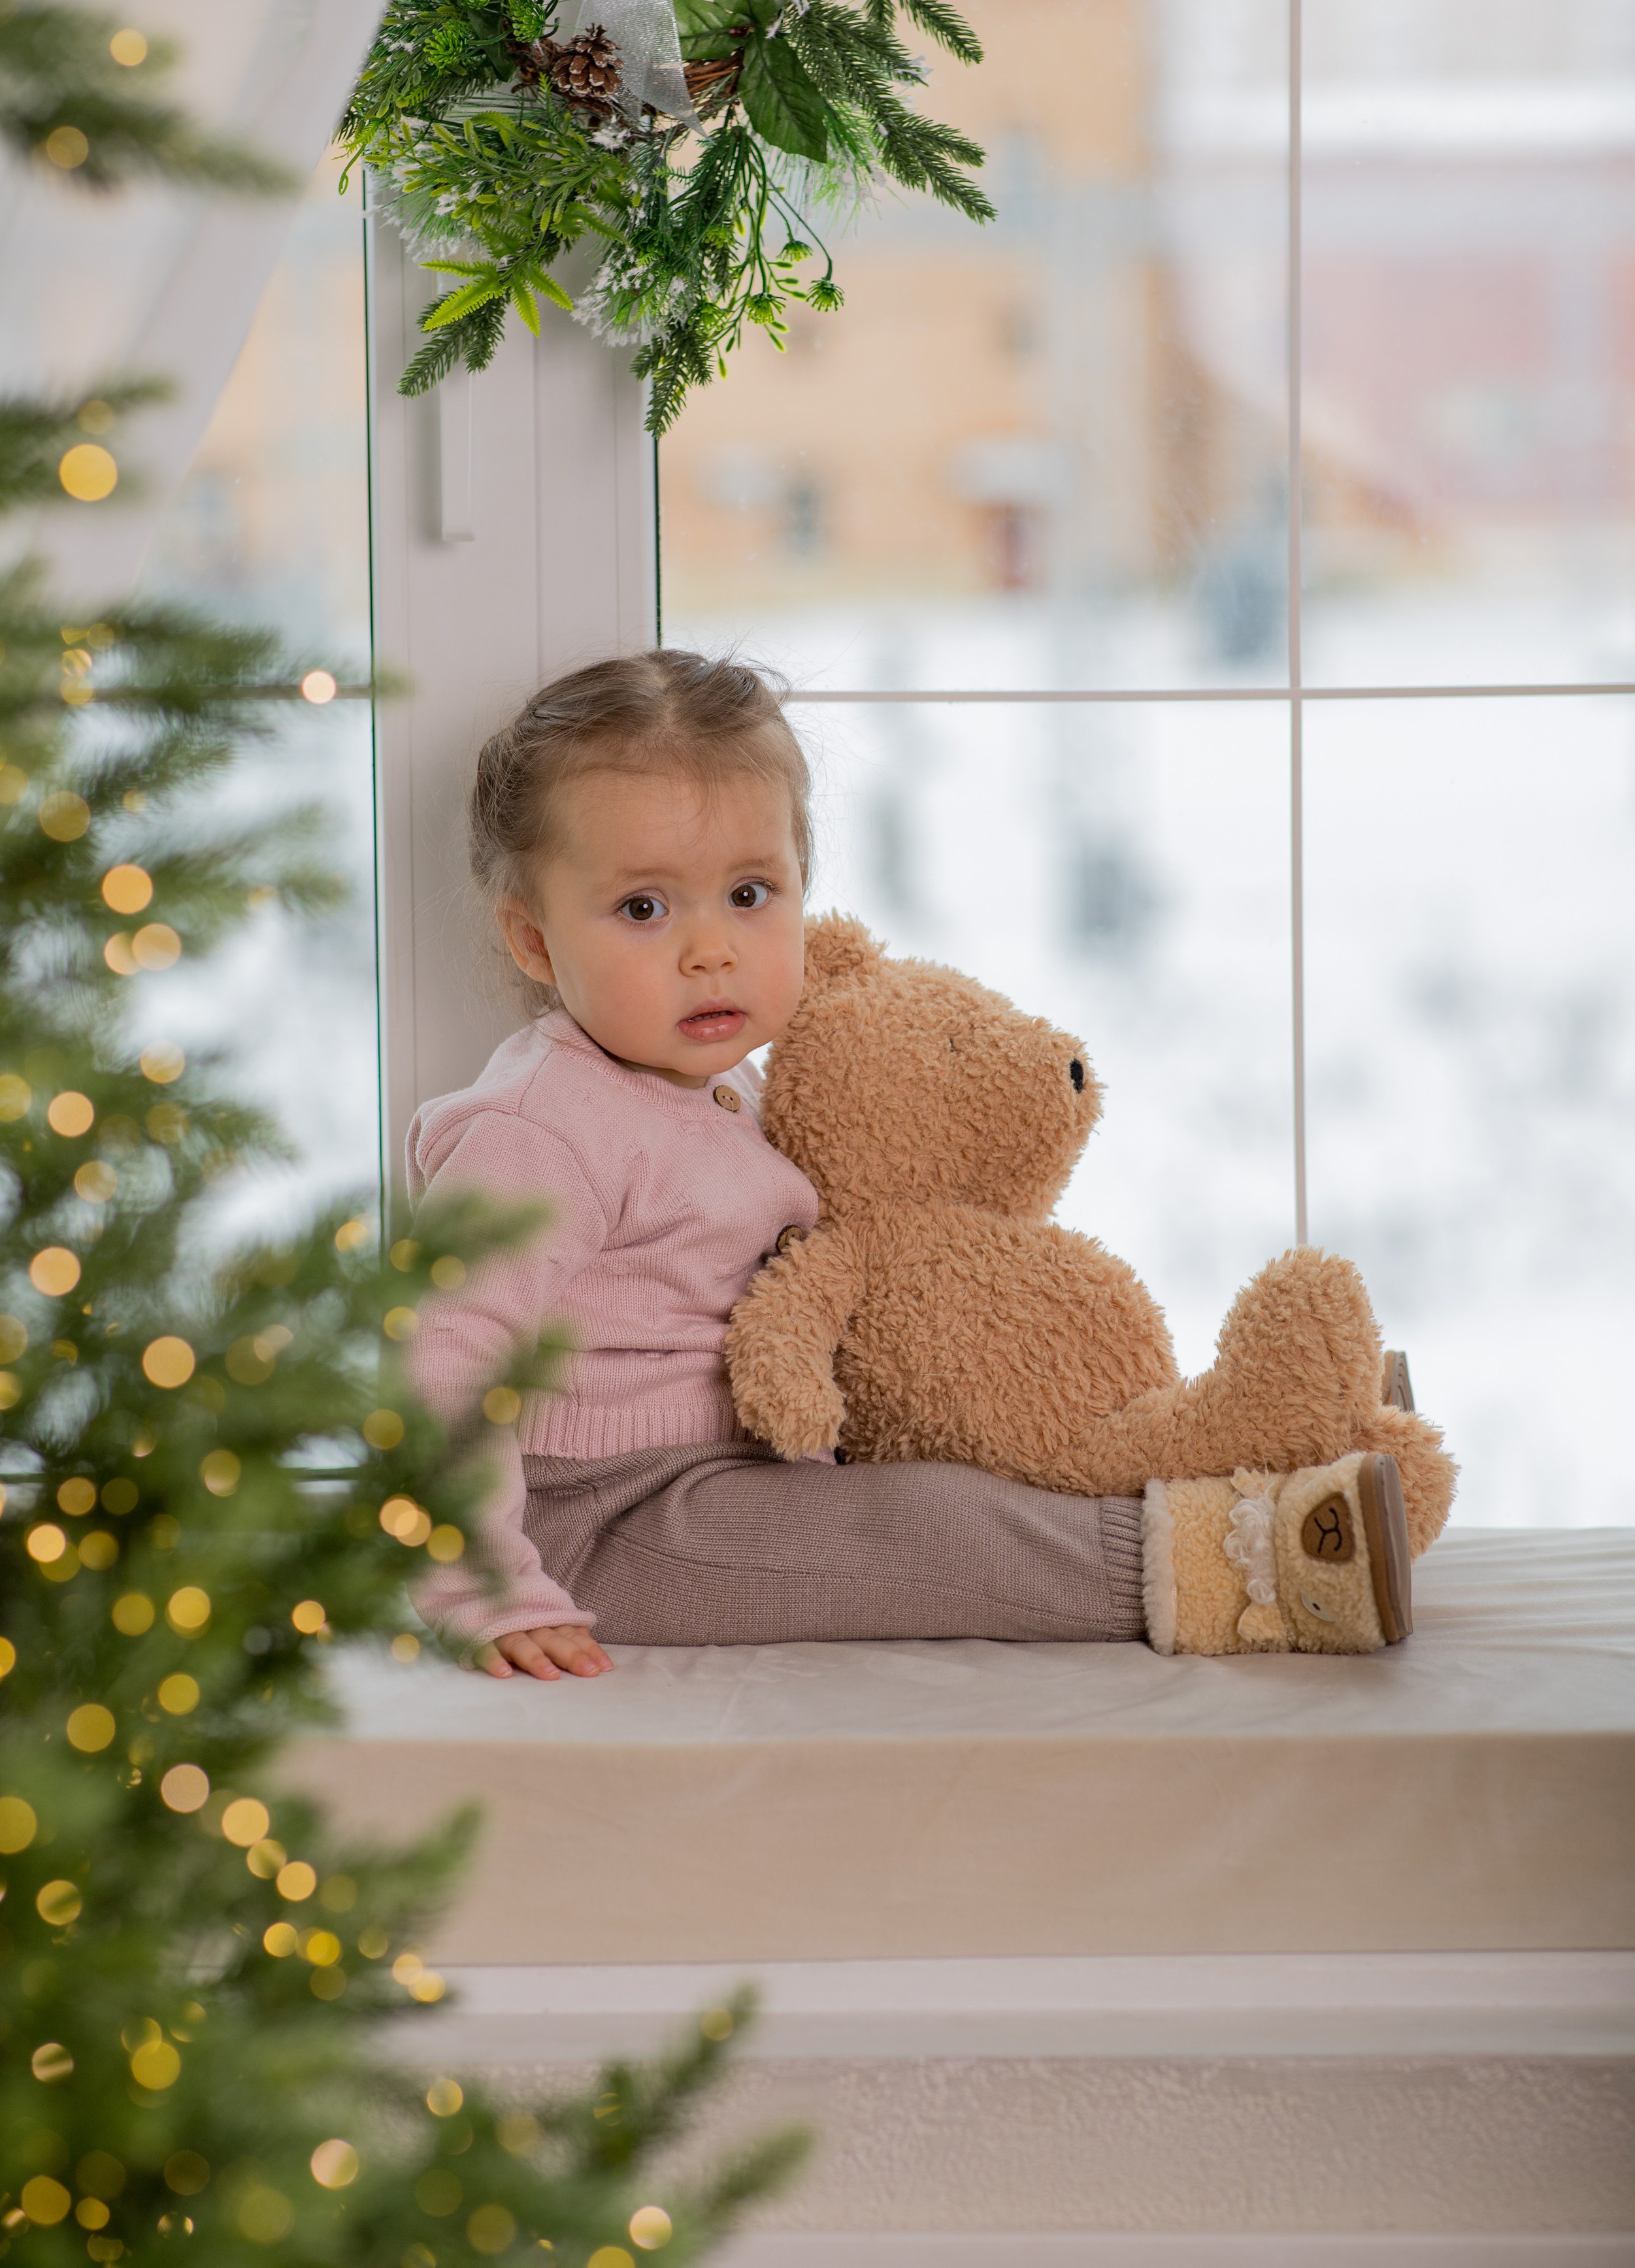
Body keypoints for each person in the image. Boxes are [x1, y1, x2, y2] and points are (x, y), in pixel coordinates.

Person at [406, 650, 1410, 1677]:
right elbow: (444, 1352)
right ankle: (1252, 1562)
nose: (710, 949)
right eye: (645, 910)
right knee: (923, 1533)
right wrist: (481, 1581)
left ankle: (1272, 1444)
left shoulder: (733, 1091)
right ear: (532, 941)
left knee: (992, 1435)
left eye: (750, 893)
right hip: (612, 1517)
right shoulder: (539, 1128)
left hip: (747, 1470)